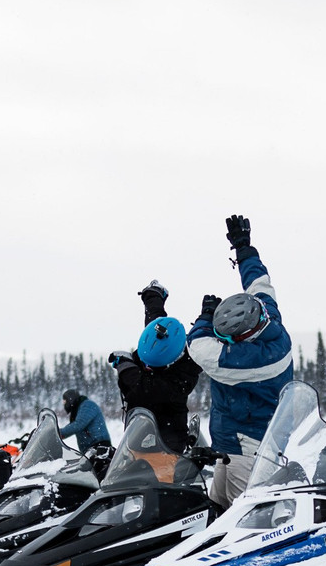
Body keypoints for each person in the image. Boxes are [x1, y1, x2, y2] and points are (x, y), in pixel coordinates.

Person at [187, 215, 293, 509]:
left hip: (250, 449)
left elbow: (199, 349)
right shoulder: (267, 314)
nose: (225, 344)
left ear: (246, 335)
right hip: (231, 444)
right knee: (214, 512)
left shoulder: (257, 359)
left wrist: (204, 321)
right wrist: (243, 247)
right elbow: (259, 282)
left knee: (241, 527)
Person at [108, 280, 202, 453]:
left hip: (167, 447)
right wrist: (153, 296)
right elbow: (155, 320)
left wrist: (125, 366)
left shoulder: (184, 372)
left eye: (152, 365)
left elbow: (143, 390)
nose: (147, 367)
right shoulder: (154, 343)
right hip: (135, 438)